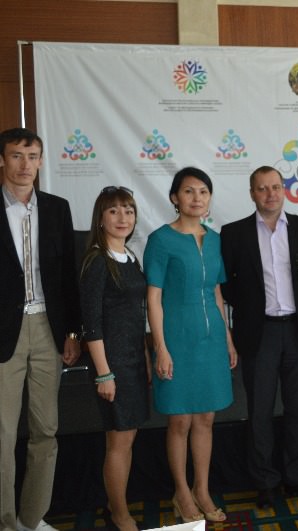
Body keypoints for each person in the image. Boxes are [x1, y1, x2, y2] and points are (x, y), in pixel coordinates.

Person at [220, 166, 298, 509]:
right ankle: (265, 482)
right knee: (260, 411)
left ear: (284, 190)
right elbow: (227, 286)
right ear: (252, 193)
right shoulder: (233, 233)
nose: (270, 194)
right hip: (258, 333)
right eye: (262, 188)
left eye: (276, 187)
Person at [144, 167, 237, 522]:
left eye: (203, 191)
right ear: (174, 198)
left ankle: (202, 489)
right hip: (176, 339)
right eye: (188, 191)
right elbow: (153, 298)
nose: (197, 198)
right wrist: (161, 347)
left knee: (206, 418)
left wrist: (228, 338)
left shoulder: (215, 239)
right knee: (180, 420)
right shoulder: (160, 240)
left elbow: (217, 292)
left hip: (211, 340)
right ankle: (181, 493)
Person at [0, 127, 81, 531]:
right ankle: (5, 521)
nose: (25, 165)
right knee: (1, 435)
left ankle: (32, 519)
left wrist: (73, 333)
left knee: (46, 430)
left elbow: (68, 274)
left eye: (32, 156)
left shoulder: (57, 208)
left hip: (49, 328)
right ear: (2, 160)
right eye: (17, 155)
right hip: (4, 334)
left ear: (41, 161)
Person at [80, 186, 149, 530]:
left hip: (134, 360)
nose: (123, 218)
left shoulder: (130, 256)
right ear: (101, 218)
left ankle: (114, 504)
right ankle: (119, 515)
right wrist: (104, 373)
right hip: (112, 364)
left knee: (127, 437)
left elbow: (136, 314)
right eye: (114, 211)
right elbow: (91, 324)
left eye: (129, 211)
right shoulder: (97, 260)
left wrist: (145, 357)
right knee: (118, 441)